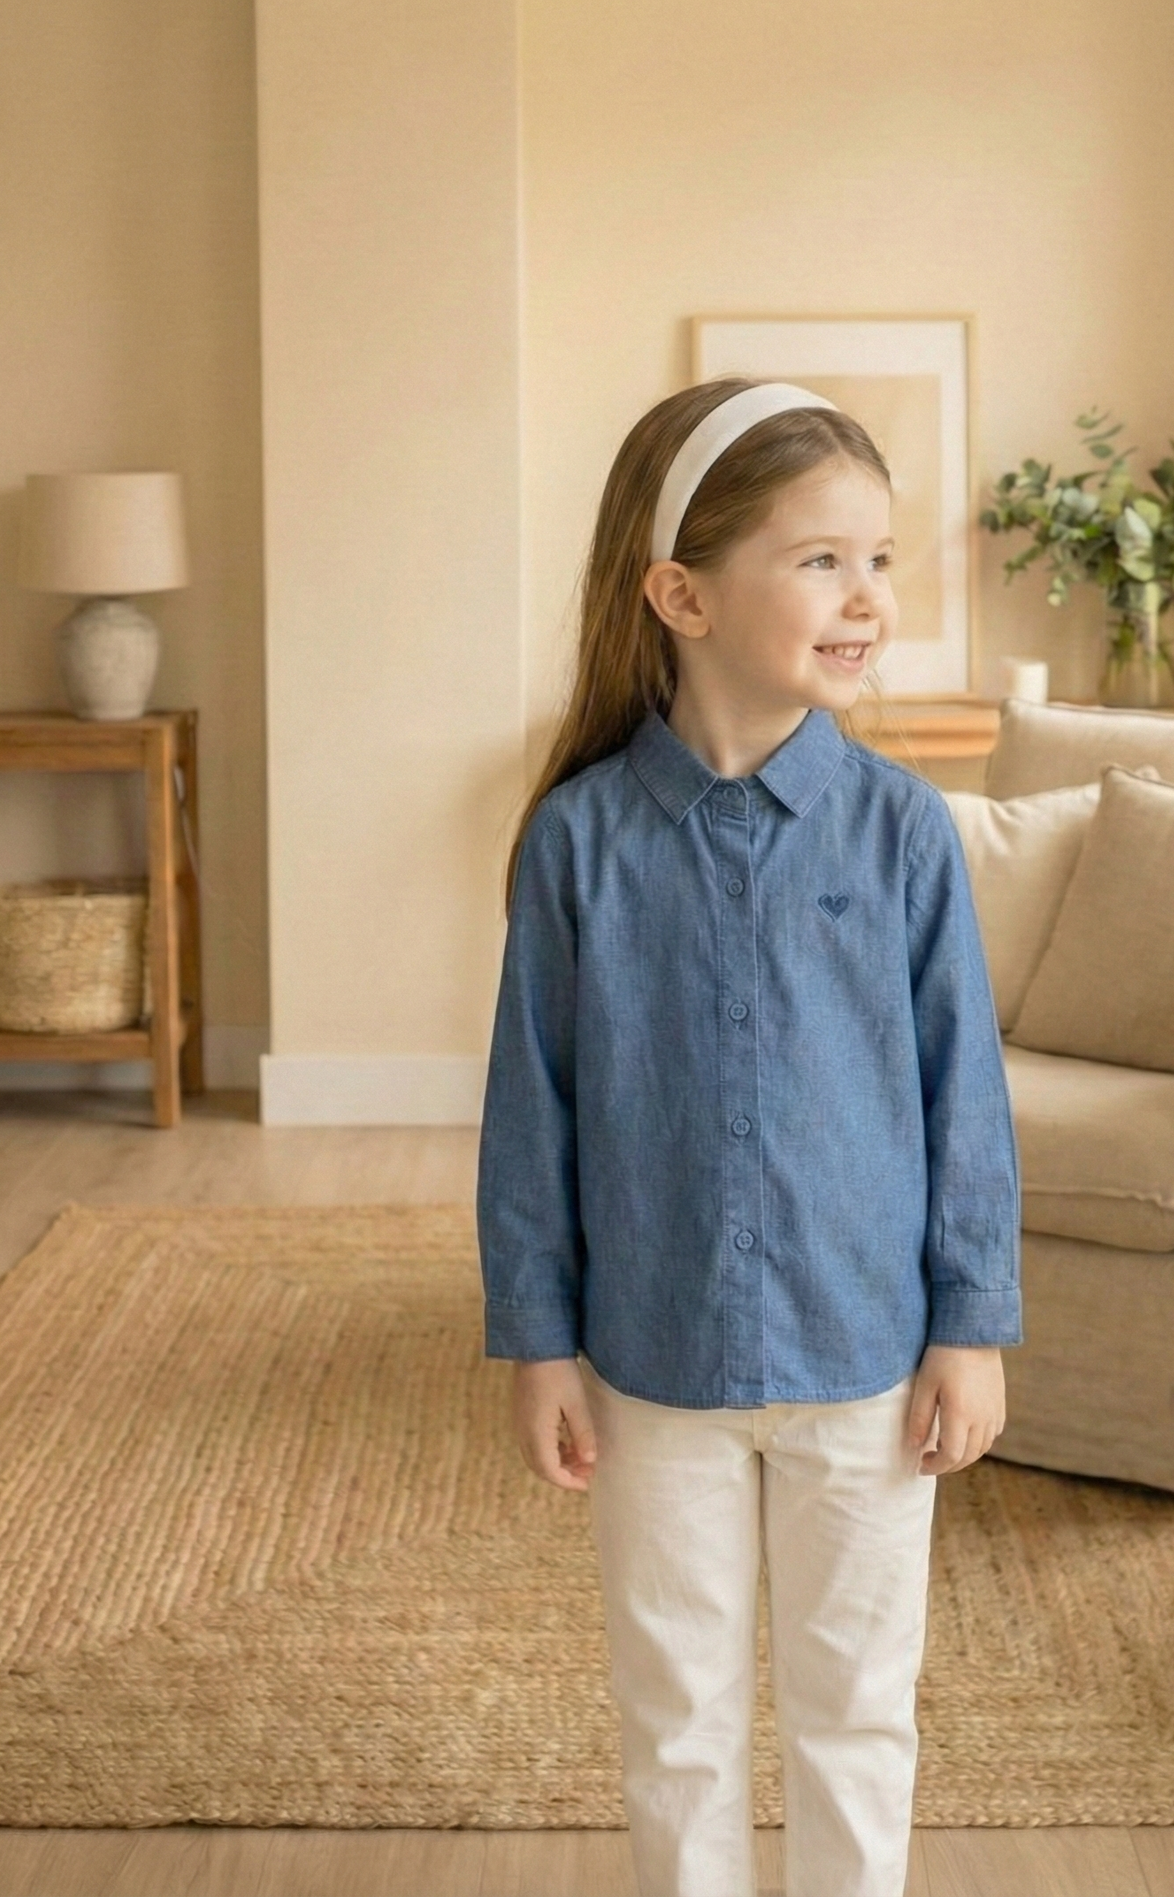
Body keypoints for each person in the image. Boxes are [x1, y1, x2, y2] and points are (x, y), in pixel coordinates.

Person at [477, 377, 1023, 1897]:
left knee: (857, 1713)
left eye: (883, 560)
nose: (870, 600)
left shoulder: (907, 832)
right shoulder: (578, 843)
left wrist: (969, 1326)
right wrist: (537, 1339)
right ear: (682, 593)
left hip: (867, 1360)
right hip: (654, 1366)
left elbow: (960, 1094)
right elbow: (534, 1105)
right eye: (823, 560)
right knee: (679, 1724)